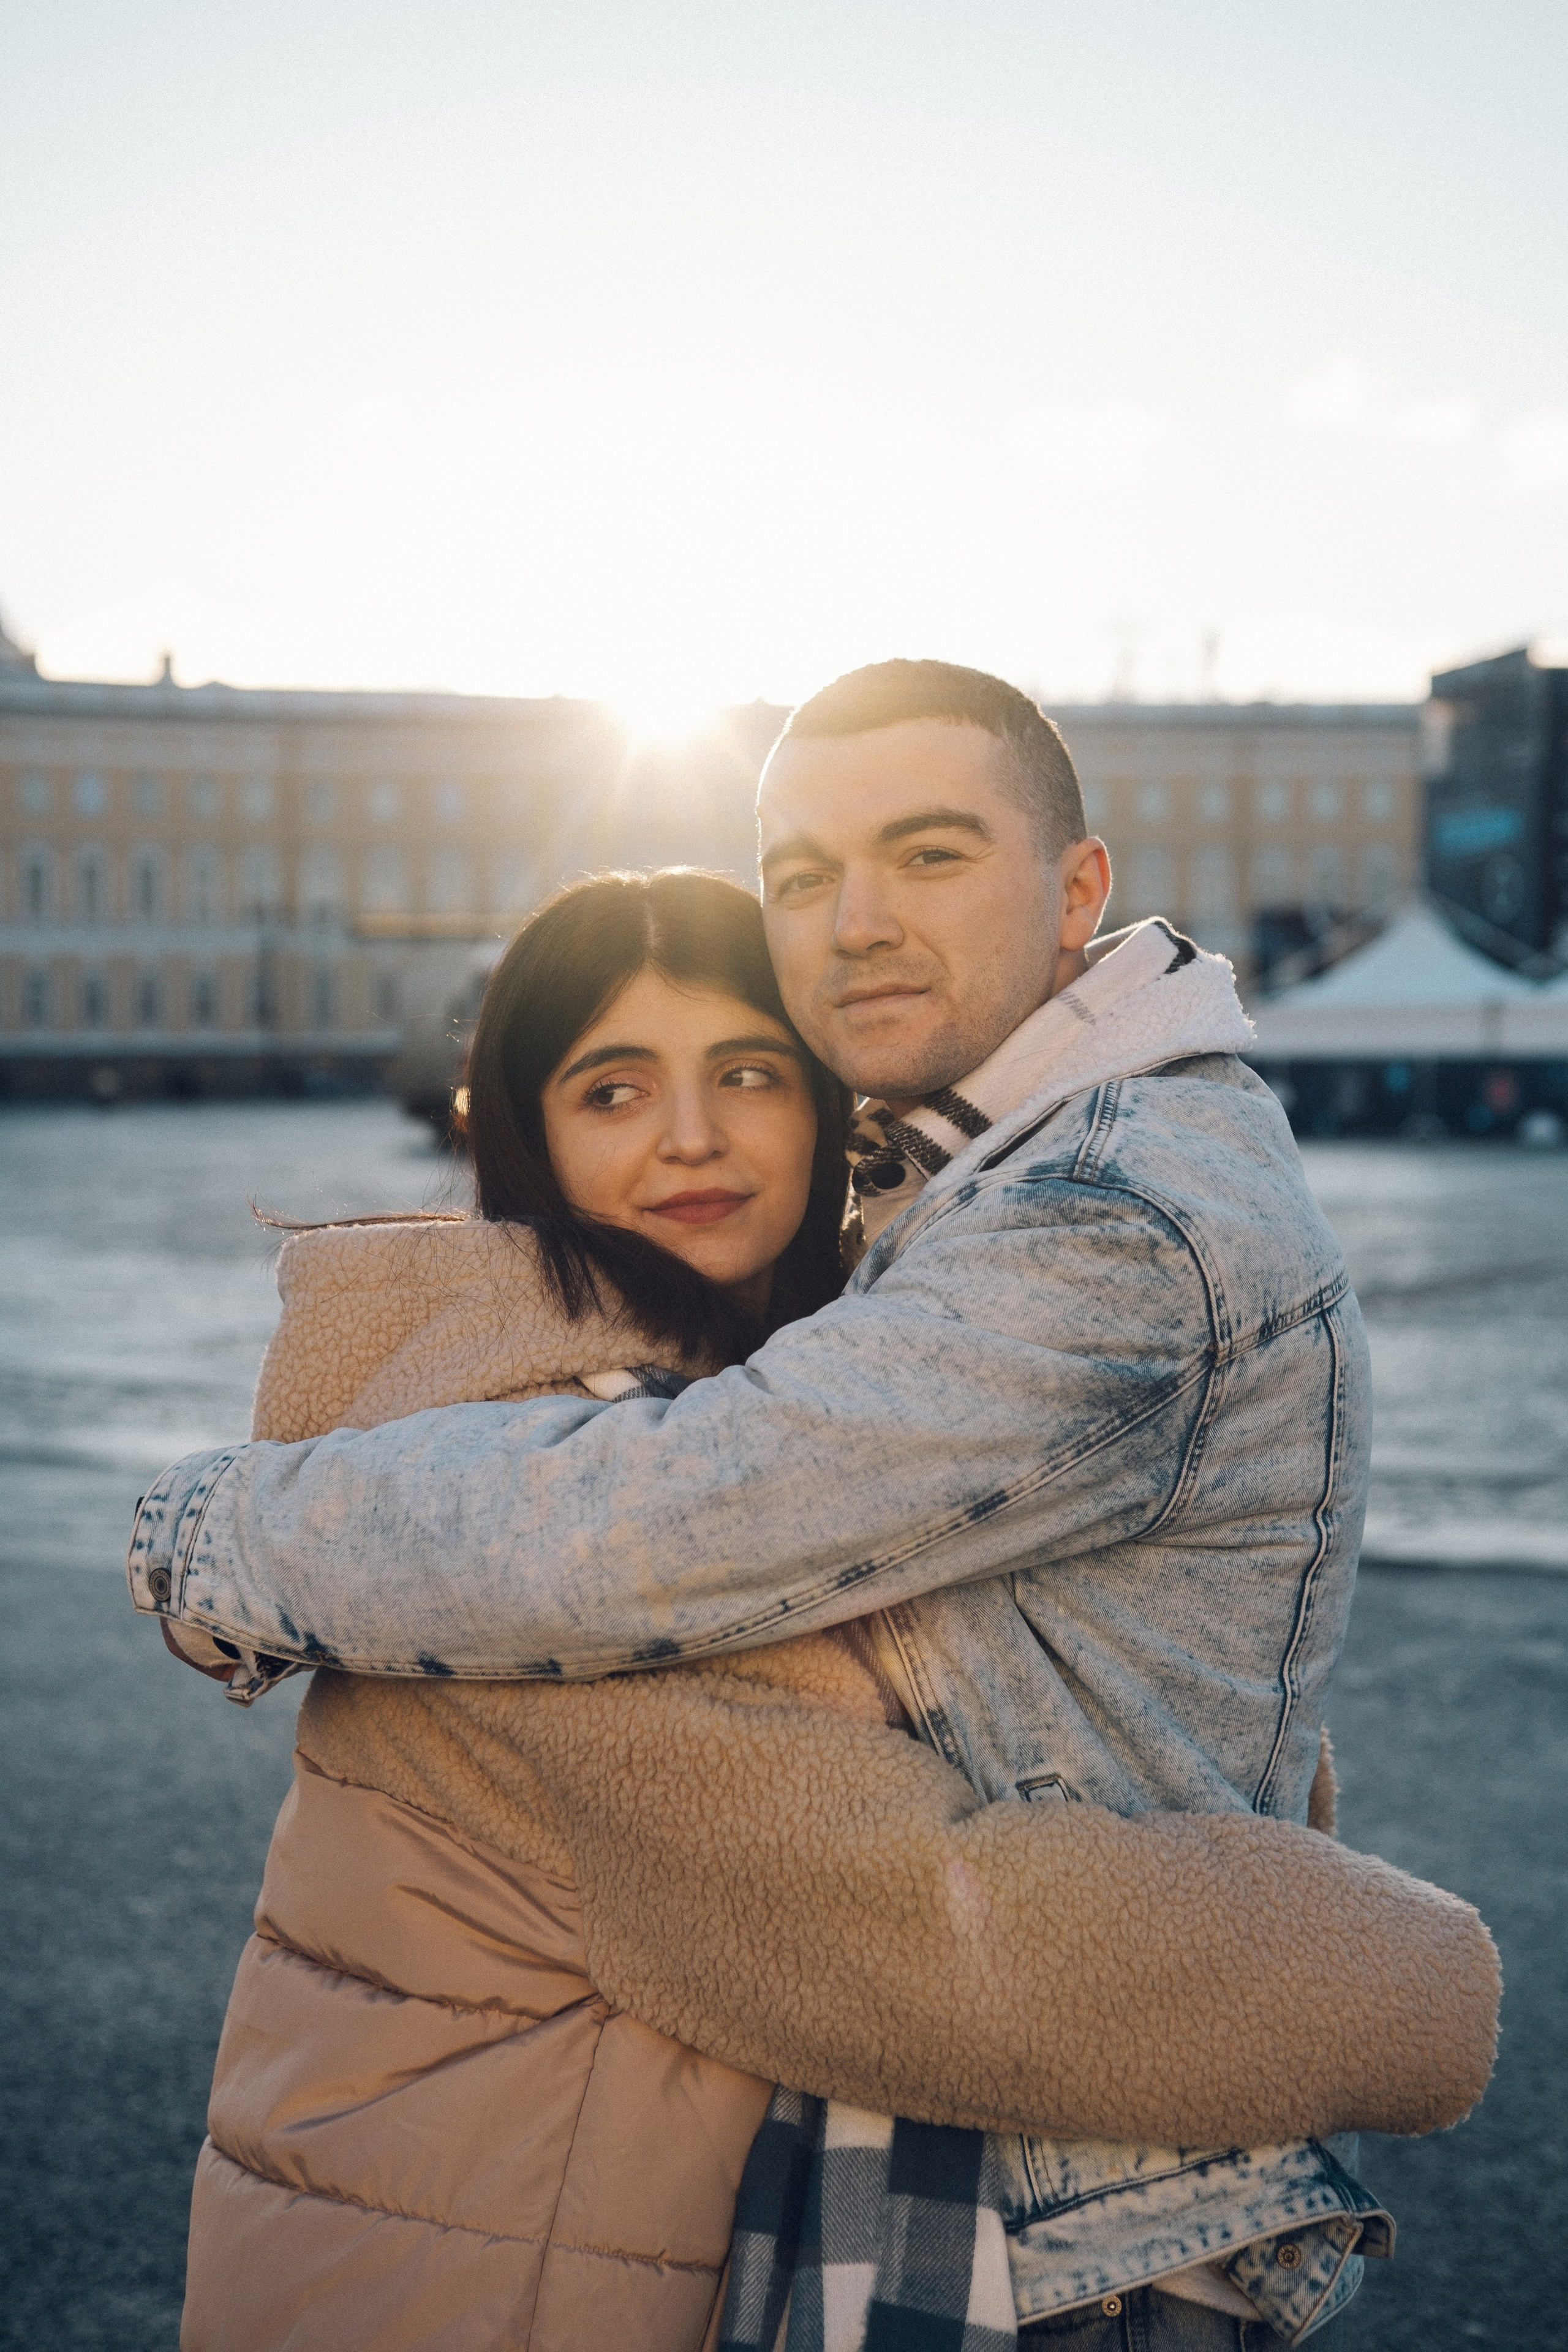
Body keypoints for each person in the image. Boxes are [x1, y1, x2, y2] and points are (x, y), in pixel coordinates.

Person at [134, 666, 1498, 2347]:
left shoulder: (1090, 1210)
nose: (854, 923)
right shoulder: (598, 1429)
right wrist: (1407, 1981)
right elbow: (906, 1922)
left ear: (1081, 889)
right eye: (802, 876)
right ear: (525, 1137)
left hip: (1010, 2231)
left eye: (928, 854)